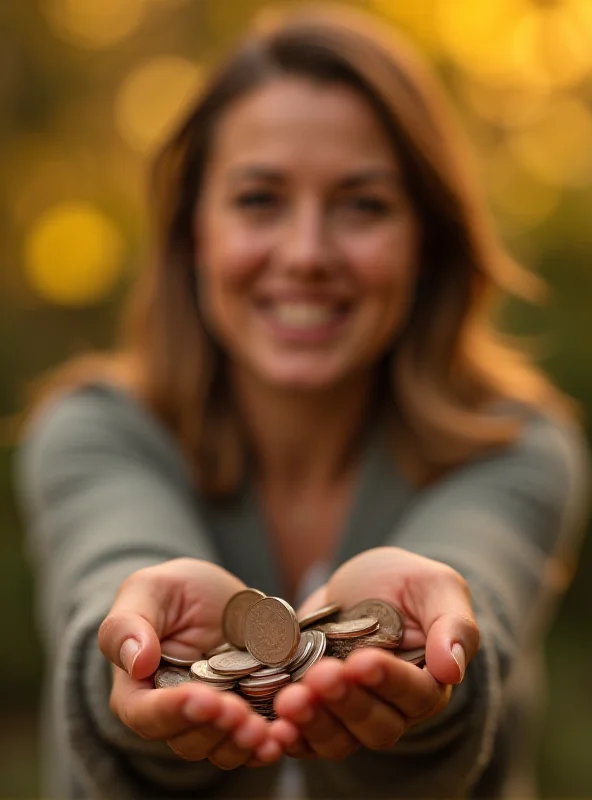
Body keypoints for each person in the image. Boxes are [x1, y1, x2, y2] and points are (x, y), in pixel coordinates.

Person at [14, 3, 590, 799]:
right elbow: (112, 584)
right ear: (193, 236)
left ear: (426, 241)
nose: (308, 253)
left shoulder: (520, 446)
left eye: (363, 205)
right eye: (259, 199)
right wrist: (137, 662)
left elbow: (471, 595)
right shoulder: (89, 432)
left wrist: (429, 670)